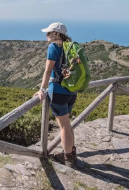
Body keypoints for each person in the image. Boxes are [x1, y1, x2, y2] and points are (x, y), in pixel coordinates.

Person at [34, 22, 77, 167]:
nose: (46, 35)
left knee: (64, 126)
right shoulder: (71, 46)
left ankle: (68, 158)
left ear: (55, 34)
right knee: (67, 123)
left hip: (58, 92)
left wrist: (42, 89)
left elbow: (47, 71)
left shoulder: (54, 47)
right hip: (71, 91)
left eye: (49, 32)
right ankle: (71, 150)